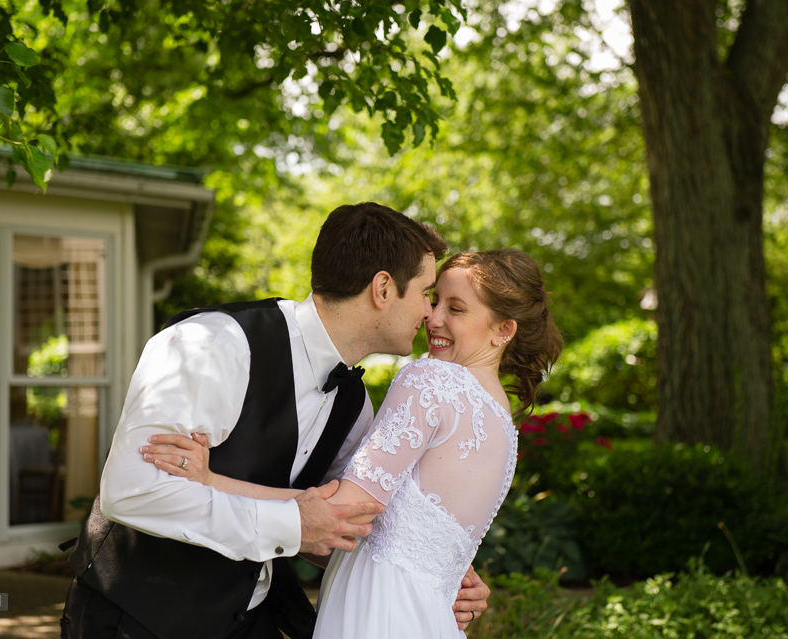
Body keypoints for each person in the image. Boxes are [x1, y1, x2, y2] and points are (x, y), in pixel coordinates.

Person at [60, 202, 490, 639]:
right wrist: (294, 524)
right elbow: (132, 492)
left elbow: (344, 524)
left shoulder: (354, 404)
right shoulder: (210, 344)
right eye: (424, 294)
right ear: (382, 289)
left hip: (252, 617)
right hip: (135, 617)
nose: (428, 314)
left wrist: (442, 575)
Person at [144, 248, 563, 637]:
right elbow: (405, 539)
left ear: (503, 330)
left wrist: (209, 479)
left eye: (455, 309)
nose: (432, 318)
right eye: (433, 300)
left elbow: (340, 514)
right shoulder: (504, 426)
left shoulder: (430, 381)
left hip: (377, 610)